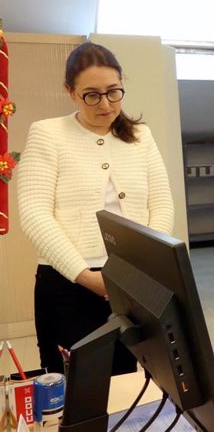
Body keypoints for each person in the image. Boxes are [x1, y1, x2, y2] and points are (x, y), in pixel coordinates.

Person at [17, 42, 174, 375]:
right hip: (68, 282)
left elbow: (160, 203)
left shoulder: (141, 137)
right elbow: (34, 212)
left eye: (114, 92)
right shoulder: (48, 133)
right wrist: (85, 276)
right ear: (70, 92)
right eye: (92, 94)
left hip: (133, 280)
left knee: (134, 383)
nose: (105, 104)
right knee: (76, 388)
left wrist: (142, 267)